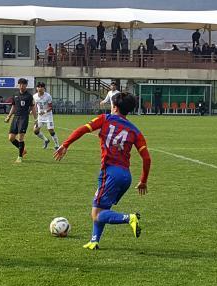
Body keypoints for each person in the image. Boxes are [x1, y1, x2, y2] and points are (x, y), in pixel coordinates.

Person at [53, 92, 151, 250]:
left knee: (97, 214)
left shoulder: (105, 119)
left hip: (110, 173)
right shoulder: (135, 131)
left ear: (114, 106)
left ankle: (129, 218)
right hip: (126, 176)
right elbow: (147, 159)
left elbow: (82, 129)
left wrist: (65, 144)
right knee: (101, 208)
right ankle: (94, 240)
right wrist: (144, 181)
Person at [4, 78, 33, 163]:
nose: (21, 86)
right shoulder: (15, 95)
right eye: (20, 84)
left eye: (23, 84)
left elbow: (32, 107)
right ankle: (23, 150)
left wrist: (35, 119)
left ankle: (20, 157)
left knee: (20, 137)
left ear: (26, 85)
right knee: (11, 138)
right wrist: (9, 116)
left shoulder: (29, 96)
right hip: (16, 117)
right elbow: (13, 106)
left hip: (24, 117)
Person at [32, 82, 59, 150]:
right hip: (40, 116)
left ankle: (57, 145)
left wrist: (44, 112)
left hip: (48, 116)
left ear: (44, 88)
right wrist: (33, 110)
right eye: (38, 87)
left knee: (50, 130)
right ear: (36, 88)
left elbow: (50, 107)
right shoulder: (34, 96)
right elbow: (35, 105)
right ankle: (46, 140)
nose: (40, 88)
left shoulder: (48, 96)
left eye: (42, 87)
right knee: (35, 131)